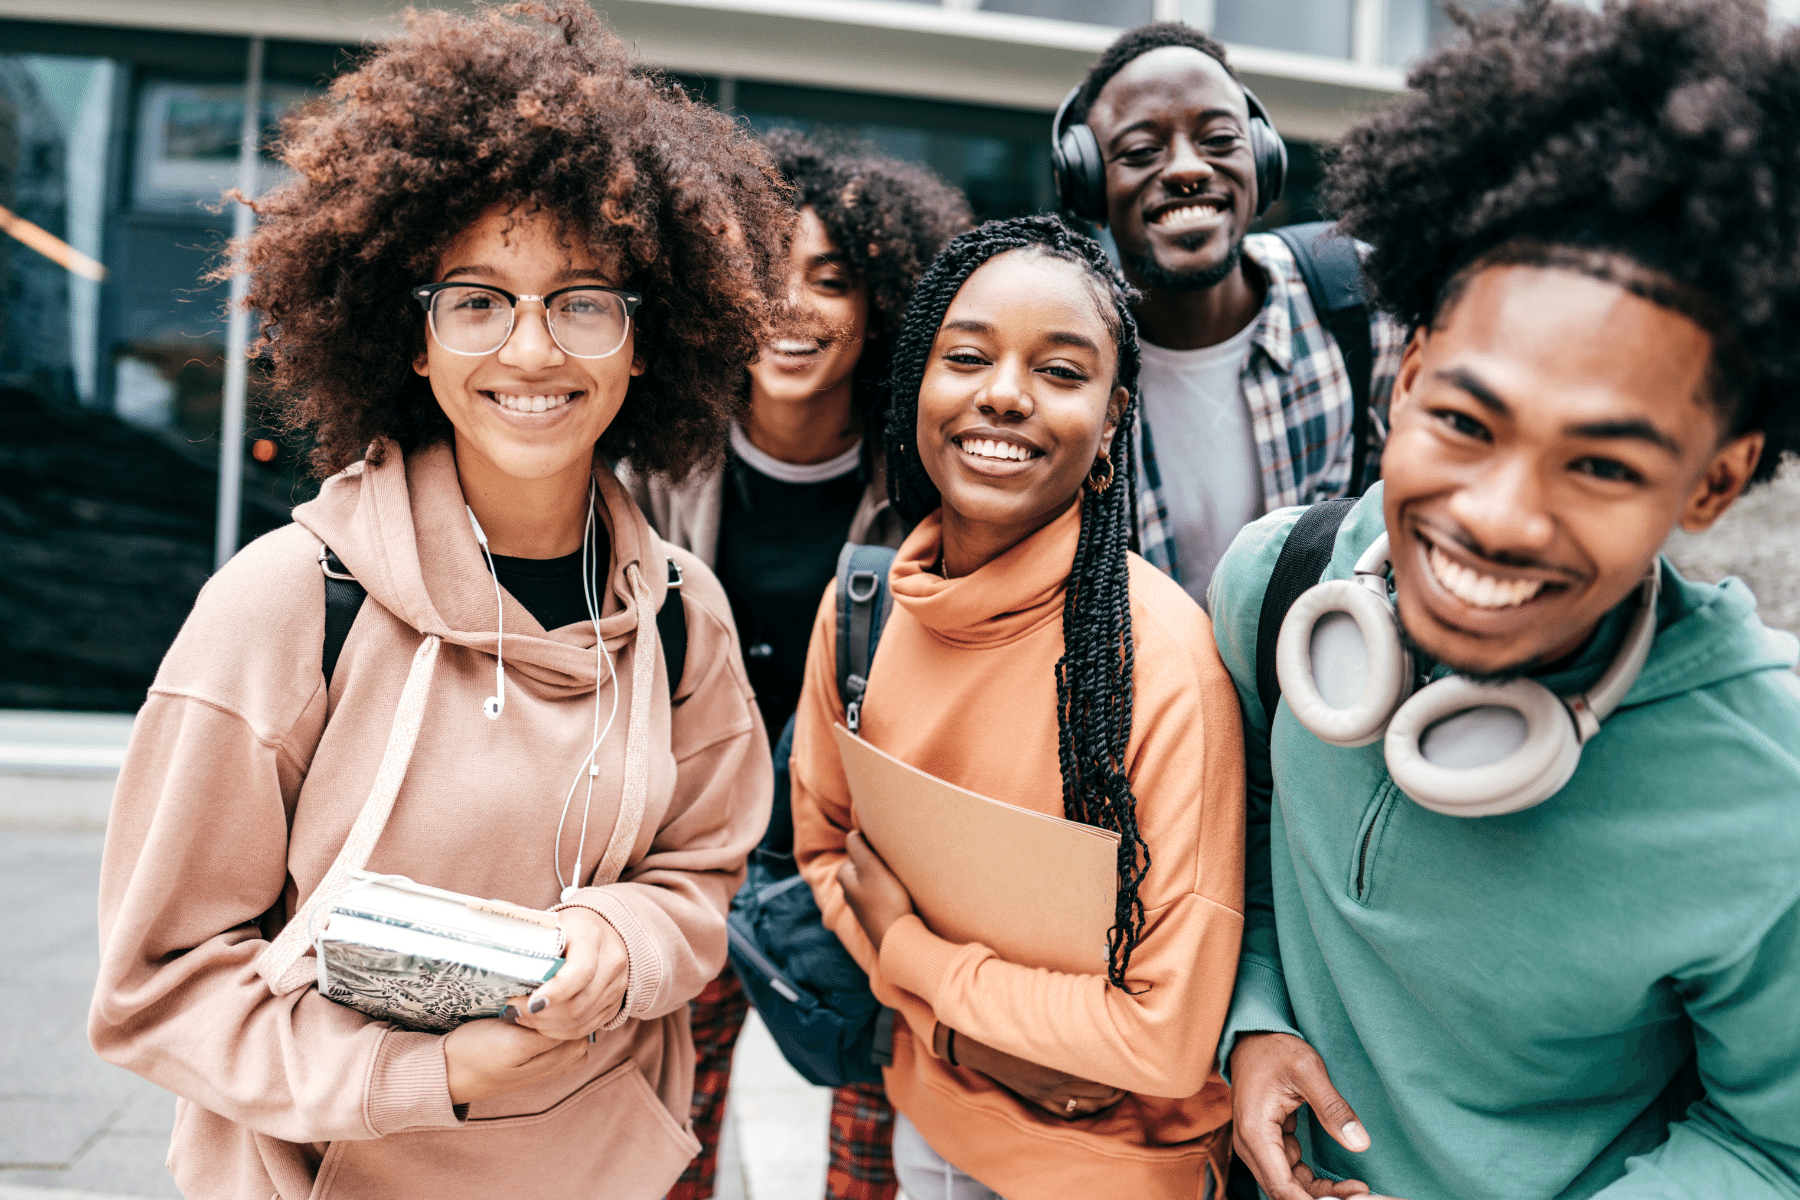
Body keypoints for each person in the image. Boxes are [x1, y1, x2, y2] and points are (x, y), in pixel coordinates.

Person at [85, 5, 786, 1198]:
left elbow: (702, 876)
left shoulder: (681, 613)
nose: (529, 350)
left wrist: (620, 942)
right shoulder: (289, 604)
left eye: (582, 300)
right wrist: (441, 1077)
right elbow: (158, 990)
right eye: (477, 300)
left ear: (642, 341)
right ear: (412, 342)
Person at [1208, 3, 1800, 1198]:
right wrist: (1254, 1020)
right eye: (1466, 423)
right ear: (1408, 373)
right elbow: (1246, 829)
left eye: (1603, 465)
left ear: (1715, 480)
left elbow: (1775, 1146)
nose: (1498, 516)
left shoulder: (1770, 790)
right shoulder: (1273, 586)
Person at [791, 214, 1247, 1200]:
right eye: (966, 357)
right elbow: (826, 853)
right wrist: (957, 1037)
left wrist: (920, 970)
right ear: (918, 377)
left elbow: (1164, 1043)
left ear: (1116, 415)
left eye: (1060, 371)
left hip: (1113, 1177)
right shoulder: (862, 610)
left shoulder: (1162, 668)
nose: (1003, 395)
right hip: (923, 1120)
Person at [625, 130, 968, 1200]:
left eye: (830, 279)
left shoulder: (926, 477)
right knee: (662, 1146)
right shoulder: (649, 458)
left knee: (872, 1168)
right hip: (689, 850)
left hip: (860, 863)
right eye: (766, 272)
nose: (794, 305)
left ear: (880, 307)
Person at [1058, 23, 1408, 602]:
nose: (1187, 170)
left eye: (1219, 139)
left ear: (1263, 158)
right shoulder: (1066, 359)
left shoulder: (1366, 301)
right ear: (1089, 183)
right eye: (1142, 151)